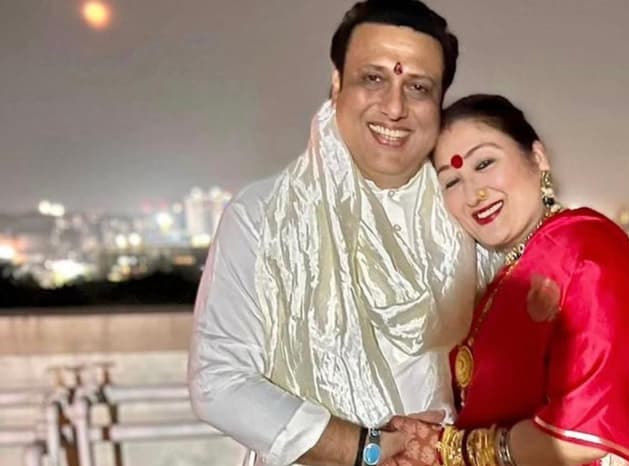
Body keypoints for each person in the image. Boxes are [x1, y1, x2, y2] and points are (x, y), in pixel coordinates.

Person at [187, 2, 495, 465]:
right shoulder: (264, 216)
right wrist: (363, 448)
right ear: (336, 84)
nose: (394, 108)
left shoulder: (471, 215)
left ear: (440, 102)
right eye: (373, 79)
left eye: (417, 87)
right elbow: (219, 380)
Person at [389, 94, 629, 466]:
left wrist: (449, 450)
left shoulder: (589, 250)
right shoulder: (501, 277)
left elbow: (583, 432)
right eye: (451, 182)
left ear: (538, 157)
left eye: (484, 163)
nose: (474, 194)